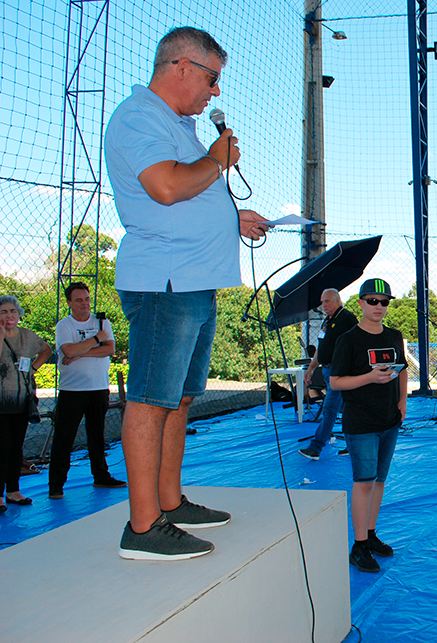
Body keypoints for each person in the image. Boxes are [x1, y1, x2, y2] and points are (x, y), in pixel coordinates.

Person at [104, 27, 269, 561]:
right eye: (211, 78)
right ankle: (143, 527)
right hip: (165, 282)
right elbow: (167, 186)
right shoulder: (139, 116)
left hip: (193, 281)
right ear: (180, 67)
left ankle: (170, 503)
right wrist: (218, 159)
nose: (214, 91)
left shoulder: (178, 125)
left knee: (178, 398)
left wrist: (230, 217)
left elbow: (184, 195)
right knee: (150, 399)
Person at [329, 278, 407, 573]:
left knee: (379, 480)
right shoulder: (348, 339)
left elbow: (402, 370)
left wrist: (403, 401)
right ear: (361, 303)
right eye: (373, 301)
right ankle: (359, 545)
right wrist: (370, 378)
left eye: (384, 302)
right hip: (361, 421)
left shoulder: (395, 336)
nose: (379, 306)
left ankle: (370, 534)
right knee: (364, 482)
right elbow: (335, 382)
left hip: (389, 419)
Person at [49, 282, 126, 499]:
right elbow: (68, 350)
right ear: (69, 303)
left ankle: (101, 475)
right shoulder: (64, 326)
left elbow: (109, 349)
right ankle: (56, 485)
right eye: (79, 300)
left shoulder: (102, 322)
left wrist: (81, 353)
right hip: (72, 389)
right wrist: (96, 340)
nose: (84, 304)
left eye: (87, 299)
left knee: (97, 435)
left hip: (98, 388)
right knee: (64, 437)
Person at [0, 295, 52, 512]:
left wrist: (33, 368)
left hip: (22, 401)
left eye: (12, 311)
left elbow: (47, 349)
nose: (9, 315)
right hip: (1, 402)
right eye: (3, 311)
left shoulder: (27, 336)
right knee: (2, 448)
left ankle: (13, 490)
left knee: (16, 447)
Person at [299, 288, 357, 460]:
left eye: (327, 301)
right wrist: (311, 368)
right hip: (327, 370)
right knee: (345, 409)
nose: (324, 305)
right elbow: (321, 347)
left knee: (330, 409)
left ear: (337, 300)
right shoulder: (327, 320)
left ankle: (316, 447)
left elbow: (357, 344)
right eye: (322, 301)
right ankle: (354, 445)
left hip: (339, 373)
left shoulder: (347, 319)